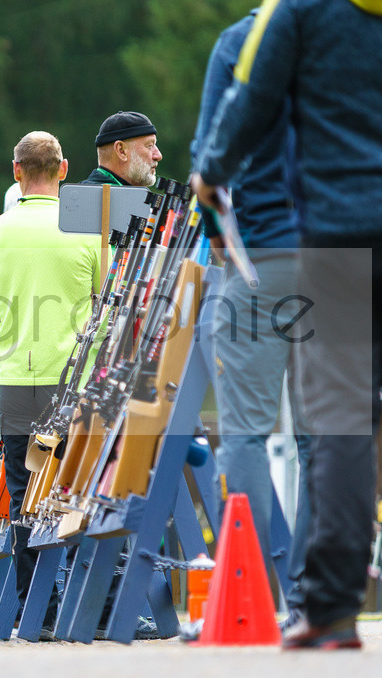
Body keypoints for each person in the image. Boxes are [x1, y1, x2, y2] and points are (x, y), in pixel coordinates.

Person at [192, 0, 382, 650]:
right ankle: (313, 592)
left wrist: (210, 179)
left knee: (292, 424)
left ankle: (297, 603)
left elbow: (239, 111)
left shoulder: (286, 19)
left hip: (310, 241)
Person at [190, 7, 311, 631]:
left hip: (259, 255)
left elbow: (208, 153)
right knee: (330, 438)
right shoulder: (358, 32)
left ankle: (254, 599)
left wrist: (218, 237)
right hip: (342, 253)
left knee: (243, 434)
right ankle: (322, 603)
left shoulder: (242, 39)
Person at [0, 131, 101, 623]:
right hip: (73, 377)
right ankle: (85, 601)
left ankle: (38, 610)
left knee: (24, 495)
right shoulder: (88, 230)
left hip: (15, 378)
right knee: (76, 491)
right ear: (64, 169)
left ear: (15, 172)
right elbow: (101, 303)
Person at [82, 111, 162, 187]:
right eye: (149, 145)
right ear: (121, 151)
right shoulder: (123, 199)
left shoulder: (78, 196)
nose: (158, 156)